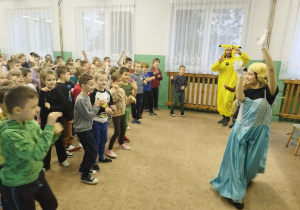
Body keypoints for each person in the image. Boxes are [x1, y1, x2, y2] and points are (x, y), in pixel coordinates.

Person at [210, 29, 279, 209]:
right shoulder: (247, 90)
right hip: (240, 131)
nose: (247, 76)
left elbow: (271, 69)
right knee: (237, 162)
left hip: (258, 133)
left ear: (259, 77)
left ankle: (244, 179)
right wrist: (239, 75)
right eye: (246, 73)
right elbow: (239, 98)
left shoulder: (268, 92)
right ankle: (236, 194)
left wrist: (263, 48)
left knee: (250, 166)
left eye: (250, 74)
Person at [0, 85, 63, 210]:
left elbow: (42, 144)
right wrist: (49, 126)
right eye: (33, 107)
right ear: (18, 110)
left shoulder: (29, 122)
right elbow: (37, 154)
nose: (37, 109)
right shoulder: (9, 133)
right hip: (18, 183)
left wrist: (53, 135)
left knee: (51, 205)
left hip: (36, 174)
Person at [211, 44, 250, 126]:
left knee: (227, 102)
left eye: (229, 50)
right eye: (227, 50)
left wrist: (240, 53)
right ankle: (224, 117)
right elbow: (213, 68)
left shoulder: (237, 59)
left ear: (232, 51)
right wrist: (219, 62)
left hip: (231, 86)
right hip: (222, 85)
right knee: (221, 102)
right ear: (225, 51)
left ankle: (228, 118)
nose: (228, 51)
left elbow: (247, 59)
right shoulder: (222, 60)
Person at [39, 70, 70, 170]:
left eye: (53, 80)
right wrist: (42, 93)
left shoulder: (58, 91)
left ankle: (62, 159)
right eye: (49, 80)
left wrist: (50, 107)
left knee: (59, 142)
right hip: (45, 122)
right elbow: (39, 105)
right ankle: (45, 165)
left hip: (57, 121)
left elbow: (63, 107)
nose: (52, 82)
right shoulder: (41, 92)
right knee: (46, 143)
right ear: (43, 81)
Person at [74, 73, 102, 184]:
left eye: (93, 84)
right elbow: (89, 115)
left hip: (86, 128)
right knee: (93, 152)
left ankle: (82, 169)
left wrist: (95, 104)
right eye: (90, 85)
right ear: (82, 85)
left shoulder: (86, 96)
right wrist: (98, 107)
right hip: (83, 130)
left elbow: (89, 111)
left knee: (89, 150)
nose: (93, 87)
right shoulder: (81, 99)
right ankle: (85, 176)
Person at [107, 72, 136, 158]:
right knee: (117, 132)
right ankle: (109, 149)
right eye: (117, 81)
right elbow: (117, 100)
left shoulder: (122, 90)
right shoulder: (111, 92)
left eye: (120, 81)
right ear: (112, 82)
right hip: (116, 114)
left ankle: (121, 143)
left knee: (123, 129)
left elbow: (125, 101)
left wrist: (130, 98)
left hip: (122, 112)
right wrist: (117, 90)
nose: (120, 83)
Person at [90, 71, 115, 171]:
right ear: (96, 81)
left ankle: (101, 157)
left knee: (103, 140)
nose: (104, 82)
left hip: (104, 121)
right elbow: (92, 108)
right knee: (96, 141)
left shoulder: (108, 93)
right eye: (101, 80)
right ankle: (94, 161)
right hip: (95, 121)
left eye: (105, 80)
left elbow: (111, 104)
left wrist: (113, 107)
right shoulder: (94, 93)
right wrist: (105, 109)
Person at [55, 65, 81, 153]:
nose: (70, 76)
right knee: (66, 132)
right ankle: (65, 149)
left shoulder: (65, 85)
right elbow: (65, 103)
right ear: (62, 75)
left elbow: (69, 100)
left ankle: (67, 146)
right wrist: (70, 117)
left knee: (69, 131)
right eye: (68, 74)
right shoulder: (61, 87)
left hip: (67, 113)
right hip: (65, 114)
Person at [120, 67, 137, 136]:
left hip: (128, 106)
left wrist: (135, 88)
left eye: (128, 75)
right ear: (121, 75)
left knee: (126, 123)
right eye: (125, 75)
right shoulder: (119, 84)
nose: (127, 76)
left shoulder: (130, 84)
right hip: (120, 107)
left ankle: (123, 136)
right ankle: (120, 137)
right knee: (121, 124)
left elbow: (133, 95)